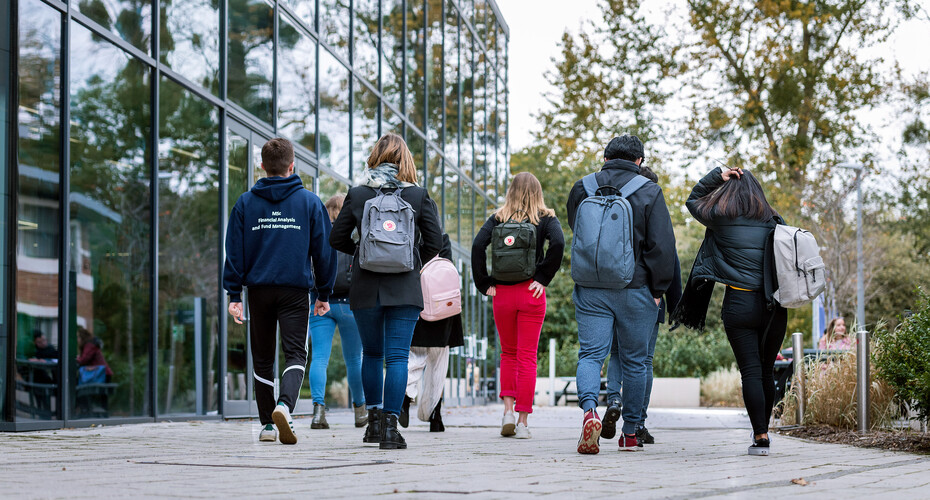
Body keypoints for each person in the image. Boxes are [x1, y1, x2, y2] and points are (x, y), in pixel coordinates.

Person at [330, 132, 443, 450]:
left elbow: (336, 239)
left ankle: (374, 424)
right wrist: (408, 255)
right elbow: (435, 242)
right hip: (404, 286)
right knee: (397, 357)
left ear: (374, 158)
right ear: (404, 160)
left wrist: (364, 251)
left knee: (372, 354)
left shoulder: (358, 193)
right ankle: (391, 430)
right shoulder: (418, 196)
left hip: (366, 286)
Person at [566, 135, 677, 454]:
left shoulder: (582, 187)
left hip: (591, 288)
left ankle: (589, 412)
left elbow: (580, 231)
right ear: (639, 161)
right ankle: (630, 434)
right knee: (636, 361)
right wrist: (658, 291)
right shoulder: (649, 190)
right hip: (636, 288)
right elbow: (663, 247)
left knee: (590, 355)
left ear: (605, 157)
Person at [223, 137, 337, 445]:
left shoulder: (245, 203)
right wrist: (324, 294)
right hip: (294, 291)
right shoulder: (310, 203)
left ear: (261, 167)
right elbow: (324, 253)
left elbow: (233, 251)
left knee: (262, 358)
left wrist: (234, 295)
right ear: (292, 166)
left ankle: (268, 427)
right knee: (296, 352)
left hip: (258, 291)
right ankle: (285, 406)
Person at [671, 164, 787, 457]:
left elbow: (692, 200)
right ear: (758, 192)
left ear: (728, 191)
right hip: (774, 307)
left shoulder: (720, 219)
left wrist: (716, 175)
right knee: (765, 371)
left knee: (749, 371)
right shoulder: (775, 221)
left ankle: (760, 436)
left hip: (739, 304)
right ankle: (764, 429)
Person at [472, 172, 565, 439]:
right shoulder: (546, 217)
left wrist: (484, 282)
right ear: (538, 192)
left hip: (502, 293)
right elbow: (558, 243)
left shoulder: (499, 217)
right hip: (531, 293)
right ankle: (523, 422)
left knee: (508, 354)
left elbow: (478, 246)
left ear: (511, 191)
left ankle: (507, 413)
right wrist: (543, 277)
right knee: (527, 357)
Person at [602, 166, 683, 445]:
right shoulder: (655, 213)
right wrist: (674, 305)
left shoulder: (619, 214)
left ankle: (614, 399)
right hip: (649, 297)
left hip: (615, 291)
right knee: (642, 361)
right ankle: (637, 423)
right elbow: (671, 261)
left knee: (616, 354)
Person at [307, 194, 367, 430]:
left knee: (319, 358)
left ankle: (318, 412)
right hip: (349, 305)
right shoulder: (354, 238)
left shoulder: (318, 236)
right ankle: (360, 411)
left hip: (320, 303)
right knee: (354, 360)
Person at [401, 233, 464, 432]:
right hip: (443, 309)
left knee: (414, 359)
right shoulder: (441, 239)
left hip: (418, 307)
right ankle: (435, 415)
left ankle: (404, 397)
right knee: (438, 365)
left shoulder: (408, 238)